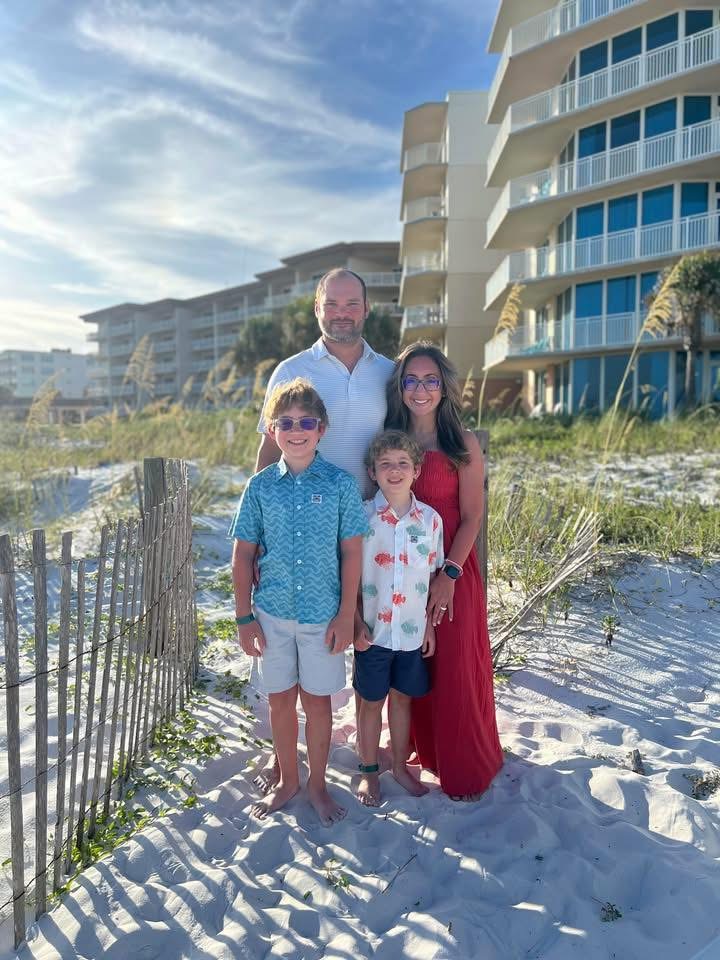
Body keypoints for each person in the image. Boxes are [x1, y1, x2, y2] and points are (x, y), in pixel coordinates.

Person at [253, 267, 395, 791]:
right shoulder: (292, 369)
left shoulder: (389, 371)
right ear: (317, 309)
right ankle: (285, 759)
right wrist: (265, 524)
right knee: (297, 643)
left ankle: (367, 759)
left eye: (352, 303)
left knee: (366, 639)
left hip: (373, 528)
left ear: (366, 307)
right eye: (332, 303)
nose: (342, 312)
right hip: (304, 532)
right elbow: (269, 449)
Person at [230, 377, 367, 825]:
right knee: (280, 701)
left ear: (322, 428)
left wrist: (347, 614)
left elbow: (351, 552)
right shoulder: (261, 487)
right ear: (272, 429)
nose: (297, 430)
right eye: (286, 422)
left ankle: (317, 784)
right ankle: (289, 779)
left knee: (318, 703)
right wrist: (244, 617)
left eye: (306, 421)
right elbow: (243, 554)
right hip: (270, 616)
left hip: (322, 617)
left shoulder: (341, 485)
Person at [384, 342, 504, 801]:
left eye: (430, 380)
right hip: (402, 569)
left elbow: (473, 516)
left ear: (443, 387)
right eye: (411, 379)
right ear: (400, 387)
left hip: (452, 568)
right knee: (415, 664)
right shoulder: (392, 440)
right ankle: (422, 749)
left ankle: (464, 765)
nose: (420, 389)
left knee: (453, 666)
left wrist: (447, 575)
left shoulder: (462, 443)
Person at [353, 430, 444, 807]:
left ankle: (400, 767)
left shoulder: (431, 521)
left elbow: (432, 577)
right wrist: (356, 620)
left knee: (402, 699)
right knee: (370, 702)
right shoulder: (361, 516)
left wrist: (427, 626)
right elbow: (348, 577)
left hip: (410, 633)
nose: (395, 470)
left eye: (403, 463)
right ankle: (368, 771)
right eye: (385, 464)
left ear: (416, 471)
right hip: (371, 632)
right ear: (372, 472)